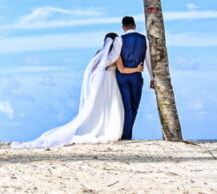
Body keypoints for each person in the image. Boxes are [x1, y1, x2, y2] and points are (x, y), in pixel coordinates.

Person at [12, 32, 142, 149]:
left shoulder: (99, 53)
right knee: (112, 106)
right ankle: (109, 130)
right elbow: (123, 70)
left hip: (101, 84)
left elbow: (93, 71)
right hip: (111, 83)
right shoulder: (116, 56)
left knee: (100, 107)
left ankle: (99, 128)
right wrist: (137, 70)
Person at [116, 15, 152, 140]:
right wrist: (152, 77)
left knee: (126, 107)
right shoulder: (144, 39)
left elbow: (115, 57)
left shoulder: (119, 40)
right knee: (134, 106)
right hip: (136, 76)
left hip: (121, 76)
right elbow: (148, 60)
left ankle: (126, 135)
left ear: (123, 27)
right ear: (135, 26)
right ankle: (126, 136)